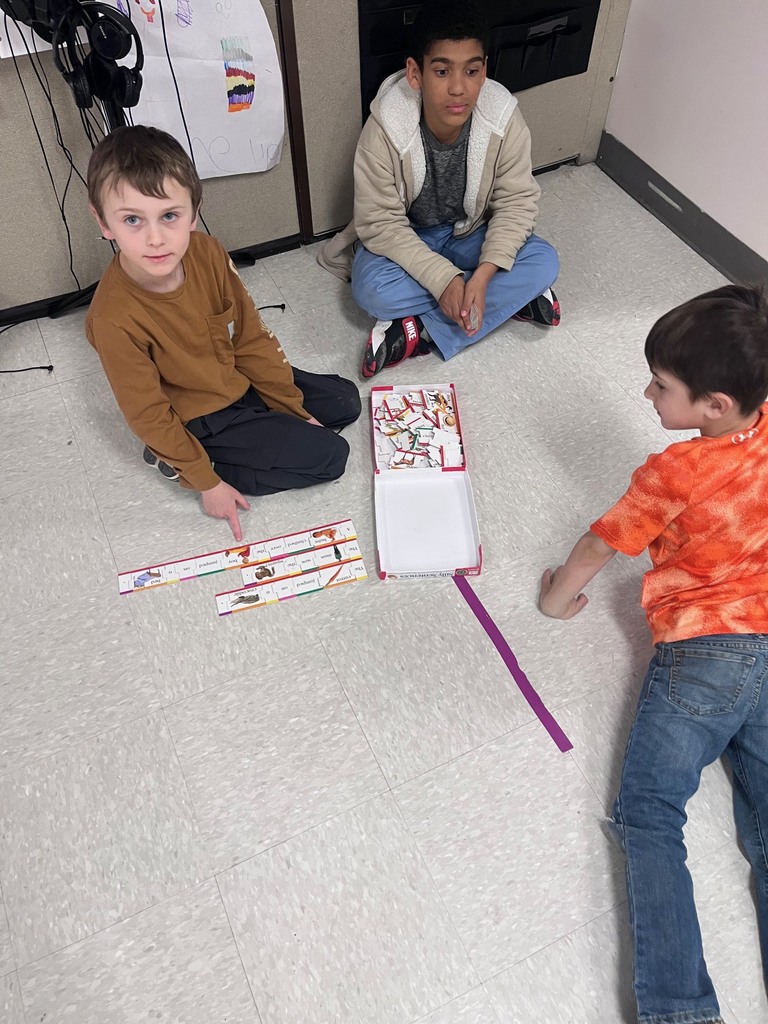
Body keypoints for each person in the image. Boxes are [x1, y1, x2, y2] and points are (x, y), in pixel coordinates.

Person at [538, 284, 768, 1024]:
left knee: (649, 813)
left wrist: (554, 599)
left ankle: (681, 1012)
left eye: (662, 386)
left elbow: (600, 544)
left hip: (707, 650)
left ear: (716, 407)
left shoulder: (674, 472)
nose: (646, 392)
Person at [85, 125, 360, 541]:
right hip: (202, 418)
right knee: (331, 457)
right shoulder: (111, 319)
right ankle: (184, 461)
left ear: (193, 211)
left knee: (345, 400)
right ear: (103, 221)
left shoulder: (208, 252)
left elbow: (250, 339)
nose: (156, 238)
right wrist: (206, 483)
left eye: (170, 216)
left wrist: (289, 406)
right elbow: (148, 412)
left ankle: (267, 423)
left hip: (234, 377)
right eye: (132, 220)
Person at [318, 0, 560, 377]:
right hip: (408, 237)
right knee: (371, 290)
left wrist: (481, 277)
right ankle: (509, 300)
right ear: (415, 73)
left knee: (544, 261)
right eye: (443, 71)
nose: (459, 88)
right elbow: (379, 224)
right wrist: (442, 278)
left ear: (484, 72)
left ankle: (417, 331)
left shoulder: (503, 116)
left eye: (472, 71)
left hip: (469, 231)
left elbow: (517, 202)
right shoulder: (384, 127)